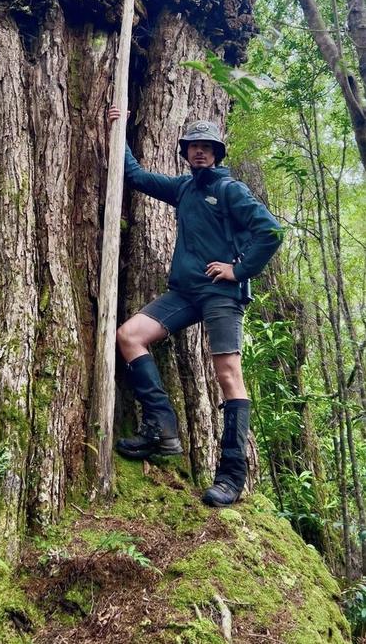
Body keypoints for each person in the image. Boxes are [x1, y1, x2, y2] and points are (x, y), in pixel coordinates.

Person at [108, 109, 283, 507]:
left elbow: (271, 231)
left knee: (228, 374)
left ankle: (232, 476)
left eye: (206, 147)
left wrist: (238, 270)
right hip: (185, 293)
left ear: (217, 154)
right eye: (193, 147)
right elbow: (135, 177)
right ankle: (162, 428)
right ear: (185, 152)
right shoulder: (184, 189)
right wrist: (120, 125)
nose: (199, 153)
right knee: (129, 336)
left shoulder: (230, 189)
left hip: (221, 294)